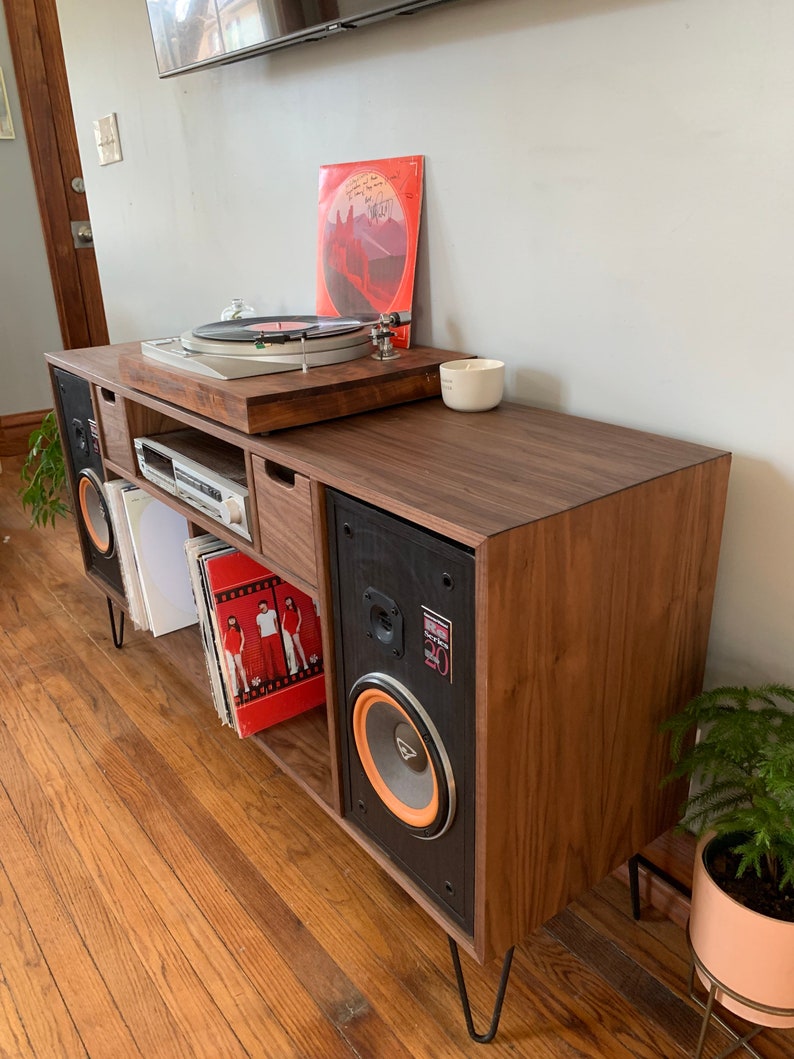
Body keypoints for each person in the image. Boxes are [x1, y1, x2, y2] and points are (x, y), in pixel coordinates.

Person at [256, 598, 285, 683]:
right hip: (264, 638)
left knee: (278, 655)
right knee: (267, 658)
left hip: (274, 635)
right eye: (258, 606)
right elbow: (259, 628)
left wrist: (277, 632)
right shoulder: (258, 617)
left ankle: (283, 673)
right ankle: (271, 678)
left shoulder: (272, 612)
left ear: (265, 604)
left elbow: (276, 622)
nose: (259, 607)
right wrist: (261, 637)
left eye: (260, 605)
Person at [222, 614, 249, 699]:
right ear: (228, 622)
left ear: (235, 620)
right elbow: (224, 642)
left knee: (240, 667)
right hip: (229, 651)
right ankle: (237, 688)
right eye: (230, 620)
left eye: (233, 619)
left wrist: (241, 647)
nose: (232, 621)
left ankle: (246, 685)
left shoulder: (239, 629)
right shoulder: (226, 632)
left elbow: (243, 638)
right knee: (232, 670)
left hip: (237, 650)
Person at [281, 595, 308, 672]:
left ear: (291, 600)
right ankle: (297, 665)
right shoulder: (285, 612)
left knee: (298, 646)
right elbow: (283, 622)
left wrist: (298, 627)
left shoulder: (297, 609)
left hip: (295, 629)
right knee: (292, 649)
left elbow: (300, 618)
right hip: (288, 631)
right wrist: (284, 632)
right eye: (286, 601)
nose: (287, 602)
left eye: (288, 600)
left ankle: (305, 663)